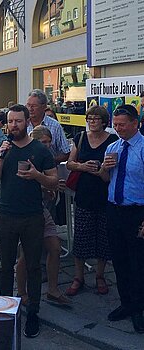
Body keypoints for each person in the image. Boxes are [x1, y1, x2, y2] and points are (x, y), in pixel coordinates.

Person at [0, 104, 58, 338]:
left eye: (18, 121)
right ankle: (7, 311)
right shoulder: (1, 147)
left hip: (32, 216)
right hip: (6, 216)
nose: (14, 125)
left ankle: (34, 312)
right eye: (10, 121)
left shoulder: (40, 149)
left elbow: (53, 182)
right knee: (5, 267)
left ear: (28, 122)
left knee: (33, 266)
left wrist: (37, 176)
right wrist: (0, 158)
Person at [99, 104, 144, 334]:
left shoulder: (143, 147)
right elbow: (106, 179)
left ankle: (139, 308)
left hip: (137, 212)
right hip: (114, 209)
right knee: (119, 260)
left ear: (135, 123)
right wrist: (104, 169)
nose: (117, 129)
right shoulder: (114, 147)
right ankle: (125, 303)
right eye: (115, 125)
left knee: (138, 262)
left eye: (122, 125)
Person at [65, 106, 118, 297]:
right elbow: (70, 163)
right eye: (90, 118)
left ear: (104, 121)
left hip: (105, 195)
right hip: (84, 194)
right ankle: (78, 277)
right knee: (81, 237)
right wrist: (82, 166)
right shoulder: (80, 137)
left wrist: (102, 171)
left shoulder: (113, 140)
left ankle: (100, 275)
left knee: (104, 239)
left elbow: (115, 169)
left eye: (96, 119)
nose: (92, 121)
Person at [15, 125, 71, 306]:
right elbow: (22, 185)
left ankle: (53, 290)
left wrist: (51, 188)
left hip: (41, 210)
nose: (47, 145)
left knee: (54, 247)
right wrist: (46, 185)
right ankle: (22, 292)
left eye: (49, 142)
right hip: (26, 210)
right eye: (43, 142)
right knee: (26, 253)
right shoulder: (26, 156)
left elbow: (49, 184)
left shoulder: (46, 157)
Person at [26, 89, 70, 163]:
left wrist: (49, 161)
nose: (30, 109)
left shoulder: (55, 126)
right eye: (28, 105)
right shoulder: (23, 124)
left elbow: (66, 153)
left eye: (34, 106)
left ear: (44, 106)